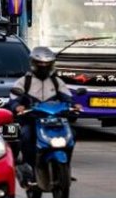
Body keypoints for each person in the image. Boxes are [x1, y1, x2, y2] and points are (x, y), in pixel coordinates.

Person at [8, 47, 79, 183]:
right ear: (33, 63)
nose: (43, 67)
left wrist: (73, 105)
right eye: (40, 64)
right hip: (32, 119)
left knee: (72, 134)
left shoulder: (56, 81)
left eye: (47, 64)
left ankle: (65, 167)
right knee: (26, 135)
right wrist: (18, 107)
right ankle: (31, 167)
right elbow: (14, 98)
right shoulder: (24, 81)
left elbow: (67, 97)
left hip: (54, 120)